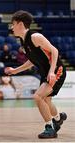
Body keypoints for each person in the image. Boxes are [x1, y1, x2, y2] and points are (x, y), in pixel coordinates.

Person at [4, 10, 67, 139]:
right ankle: (58, 118)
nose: (11, 27)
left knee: (38, 97)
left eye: (13, 24)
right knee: (46, 100)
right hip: (46, 73)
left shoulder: (35, 37)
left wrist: (51, 72)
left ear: (20, 24)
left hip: (56, 70)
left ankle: (49, 128)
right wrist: (15, 71)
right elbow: (32, 61)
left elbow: (54, 51)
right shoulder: (24, 41)